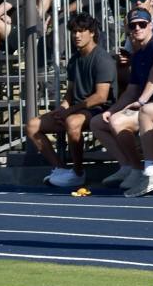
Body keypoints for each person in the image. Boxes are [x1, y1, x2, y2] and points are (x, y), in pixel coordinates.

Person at [92, 7, 153, 194]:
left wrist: (142, 101)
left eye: (142, 24)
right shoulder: (139, 54)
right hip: (148, 107)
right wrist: (112, 110)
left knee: (118, 121)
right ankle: (128, 167)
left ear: (150, 25)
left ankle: (144, 171)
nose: (137, 28)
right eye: (133, 26)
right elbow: (131, 90)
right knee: (98, 122)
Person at [26, 13, 117, 190]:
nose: (76, 35)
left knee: (72, 122)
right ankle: (60, 169)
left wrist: (70, 110)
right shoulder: (74, 59)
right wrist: (62, 108)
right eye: (74, 31)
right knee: (32, 125)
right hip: (77, 109)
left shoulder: (102, 58)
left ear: (92, 33)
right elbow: (70, 91)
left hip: (99, 110)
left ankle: (78, 173)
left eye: (81, 31)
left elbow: (101, 96)